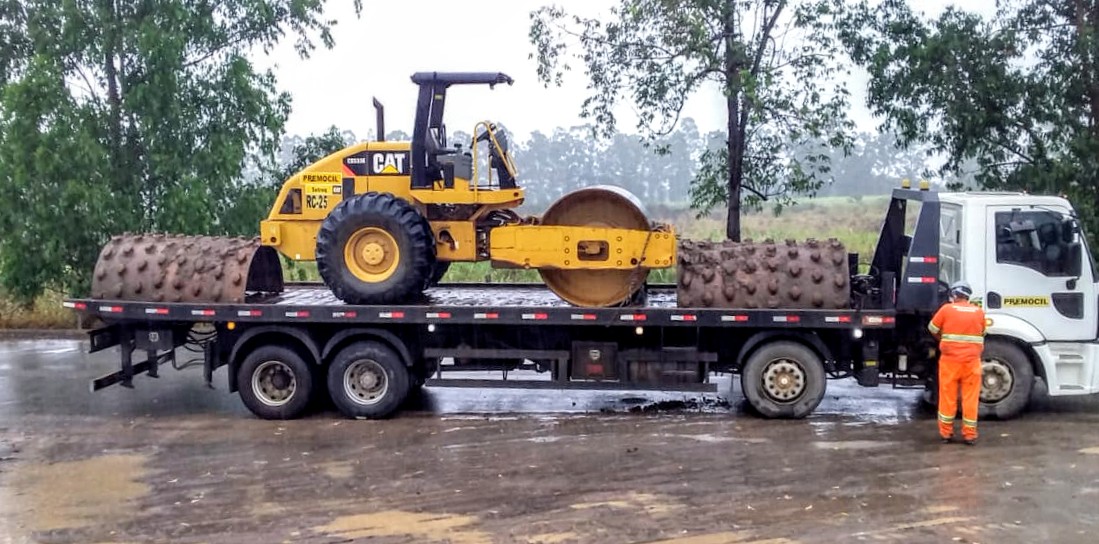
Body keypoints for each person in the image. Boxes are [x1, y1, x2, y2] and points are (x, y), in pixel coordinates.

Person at [927, 281, 987, 445]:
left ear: (953, 295)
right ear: (968, 296)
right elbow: (982, 333)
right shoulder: (979, 312)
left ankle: (946, 434)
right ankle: (969, 435)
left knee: (948, 397)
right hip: (972, 363)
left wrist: (943, 338)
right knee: (970, 398)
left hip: (950, 361)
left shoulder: (946, 309)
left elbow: (932, 328)